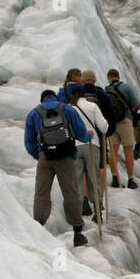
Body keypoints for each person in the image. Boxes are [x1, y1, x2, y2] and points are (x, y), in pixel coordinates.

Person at [24, 88, 90, 246]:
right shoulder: (67, 109)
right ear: (55, 97)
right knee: (70, 192)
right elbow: (81, 133)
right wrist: (89, 136)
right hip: (66, 158)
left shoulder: (34, 113)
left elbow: (29, 141)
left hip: (45, 158)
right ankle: (77, 233)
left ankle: (39, 227)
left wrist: (39, 154)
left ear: (42, 99)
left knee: (41, 193)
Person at [67, 83, 109, 223]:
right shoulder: (92, 106)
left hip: (75, 146)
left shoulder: (69, 109)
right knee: (94, 177)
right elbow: (103, 127)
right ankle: (98, 211)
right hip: (92, 145)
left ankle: (78, 213)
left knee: (77, 179)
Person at [104, 69, 140, 188]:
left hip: (112, 124)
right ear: (118, 77)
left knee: (113, 151)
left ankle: (115, 178)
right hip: (125, 121)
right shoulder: (126, 87)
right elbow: (135, 104)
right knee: (128, 151)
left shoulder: (106, 90)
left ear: (109, 77)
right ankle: (130, 180)